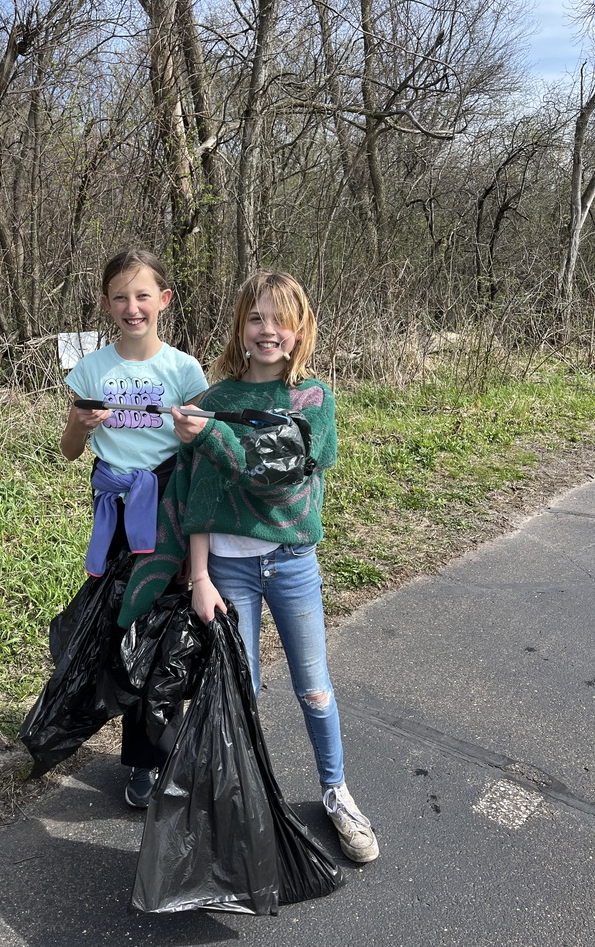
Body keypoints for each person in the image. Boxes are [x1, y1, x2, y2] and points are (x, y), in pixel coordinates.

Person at [120, 271, 379, 863]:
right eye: (256, 317)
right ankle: (252, 800)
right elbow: (195, 500)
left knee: (314, 688)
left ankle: (336, 792)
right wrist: (201, 576)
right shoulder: (215, 401)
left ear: (300, 329)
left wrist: (213, 438)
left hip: (292, 565)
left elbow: (281, 468)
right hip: (229, 573)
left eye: (280, 319)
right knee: (245, 692)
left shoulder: (313, 399)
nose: (268, 330)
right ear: (240, 325)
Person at [60, 247, 207, 808]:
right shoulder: (92, 369)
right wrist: (78, 423)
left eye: (142, 295)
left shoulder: (182, 369)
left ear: (163, 301)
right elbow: (72, 450)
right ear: (105, 304)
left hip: (167, 508)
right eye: (120, 296)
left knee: (161, 634)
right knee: (118, 627)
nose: (131, 306)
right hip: (114, 515)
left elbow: (198, 451)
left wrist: (192, 431)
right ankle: (101, 717)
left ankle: (150, 757)